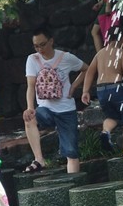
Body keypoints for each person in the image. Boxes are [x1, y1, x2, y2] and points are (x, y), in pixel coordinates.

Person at [22, 31, 85, 174]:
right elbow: (30, 85)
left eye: (42, 45)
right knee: (30, 117)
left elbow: (87, 68)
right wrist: (30, 107)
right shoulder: (32, 59)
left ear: (51, 41)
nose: (39, 49)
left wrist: (75, 86)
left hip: (66, 110)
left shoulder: (66, 57)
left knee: (72, 153)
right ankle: (39, 159)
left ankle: (74, 183)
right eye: (36, 46)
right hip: (45, 109)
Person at [82, 29, 123, 158]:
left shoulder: (100, 53)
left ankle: (106, 131)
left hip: (101, 90)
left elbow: (90, 72)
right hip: (117, 88)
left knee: (112, 116)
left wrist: (85, 91)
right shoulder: (121, 52)